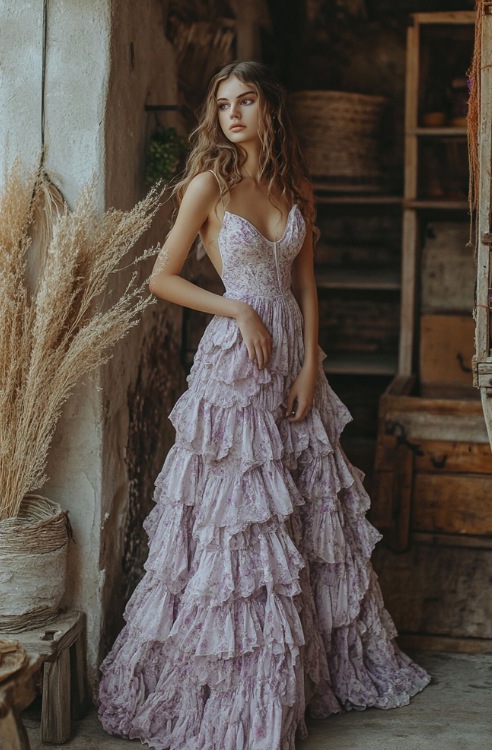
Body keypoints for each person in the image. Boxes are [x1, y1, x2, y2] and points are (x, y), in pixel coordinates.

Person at [98, 60, 430, 749]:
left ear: (268, 110)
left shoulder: (294, 185)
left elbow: (306, 283)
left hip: (290, 360)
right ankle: (238, 678)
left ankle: (302, 668)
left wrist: (312, 362)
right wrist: (237, 310)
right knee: (241, 519)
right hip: (236, 364)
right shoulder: (208, 185)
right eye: (223, 105)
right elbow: (162, 278)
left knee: (302, 514)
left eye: (246, 101)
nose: (234, 115)